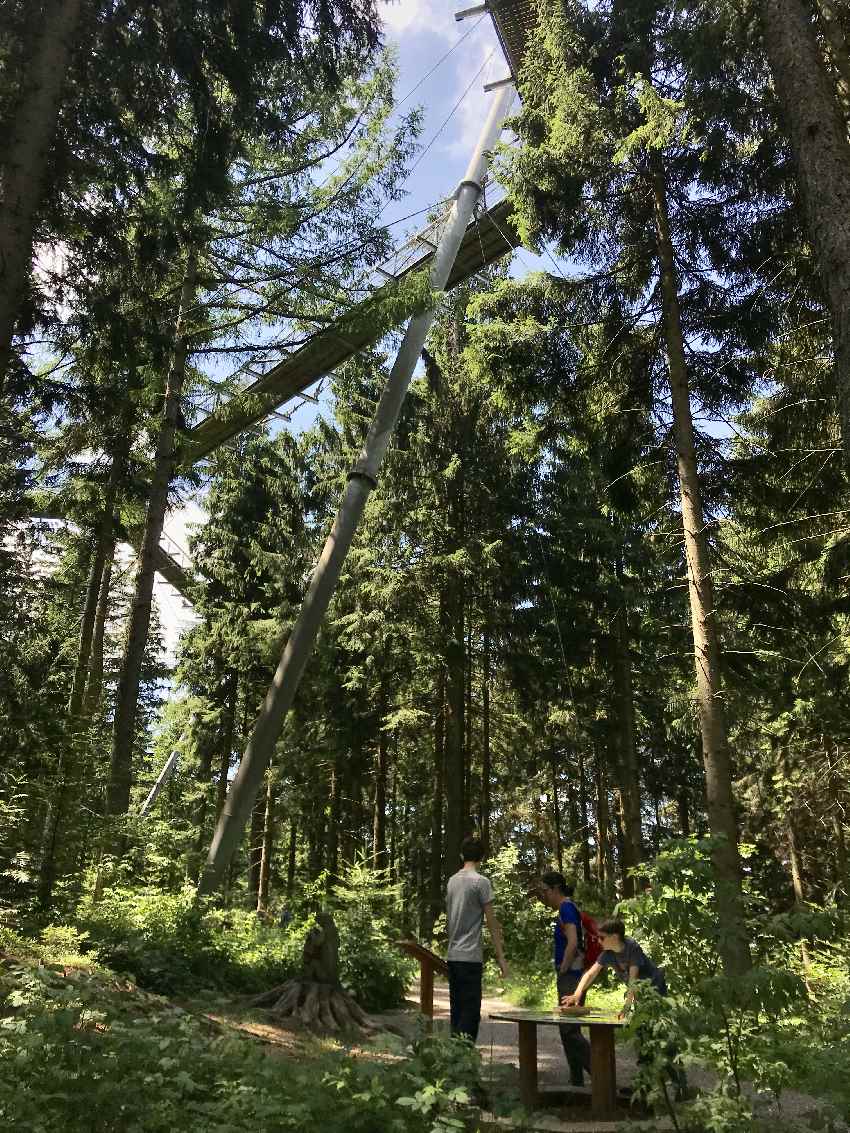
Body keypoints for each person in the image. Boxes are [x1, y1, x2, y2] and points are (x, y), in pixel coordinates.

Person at [561, 917, 685, 1096]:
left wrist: (627, 1008)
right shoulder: (608, 953)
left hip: (656, 995)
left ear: (615, 936)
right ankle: (644, 1087)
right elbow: (590, 974)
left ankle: (681, 1085)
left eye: (602, 937)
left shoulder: (632, 948)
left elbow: (633, 983)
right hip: (641, 998)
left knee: (662, 1040)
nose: (599, 940)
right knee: (643, 1041)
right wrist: (577, 994)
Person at [446, 835, 509, 1042]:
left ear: (462, 855)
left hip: (453, 956)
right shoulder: (481, 882)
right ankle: (462, 1060)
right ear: (482, 857)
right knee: (470, 1012)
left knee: (457, 1010)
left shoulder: (452, 881)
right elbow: (491, 923)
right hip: (471, 957)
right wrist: (501, 957)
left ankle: (453, 1059)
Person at [540, 871, 591, 1087]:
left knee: (569, 1029)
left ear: (555, 889)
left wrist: (563, 968)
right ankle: (576, 1078)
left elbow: (572, 942)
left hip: (571, 975)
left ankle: (599, 1070)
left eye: (545, 891)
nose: (543, 896)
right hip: (571, 973)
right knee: (568, 1028)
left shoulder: (567, 908)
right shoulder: (566, 908)